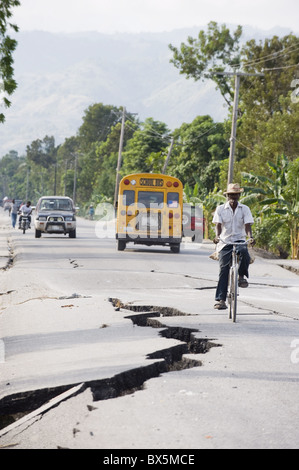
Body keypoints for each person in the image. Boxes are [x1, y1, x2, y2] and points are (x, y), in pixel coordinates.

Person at [212, 183, 255, 310]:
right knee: (223, 270)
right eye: (231, 194)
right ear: (227, 195)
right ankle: (221, 299)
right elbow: (218, 225)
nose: (233, 197)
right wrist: (217, 236)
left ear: (239, 195)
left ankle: (241, 277)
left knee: (245, 254)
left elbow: (247, 225)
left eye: (235, 194)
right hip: (225, 241)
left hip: (240, 240)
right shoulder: (220, 209)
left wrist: (250, 237)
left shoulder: (245, 209)